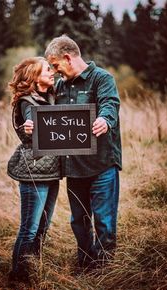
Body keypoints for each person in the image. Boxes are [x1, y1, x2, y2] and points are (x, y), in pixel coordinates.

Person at [44, 35, 122, 270]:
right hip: (74, 168)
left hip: (102, 165)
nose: (55, 71)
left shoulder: (102, 78)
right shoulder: (59, 86)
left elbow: (111, 103)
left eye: (56, 65)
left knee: (104, 222)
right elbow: (46, 115)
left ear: (68, 58)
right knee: (78, 221)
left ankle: (104, 269)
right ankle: (86, 264)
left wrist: (104, 119)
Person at [7, 57, 61, 284]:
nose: (52, 72)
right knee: (29, 228)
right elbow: (28, 122)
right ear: (34, 77)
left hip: (52, 170)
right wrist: (28, 127)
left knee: (43, 226)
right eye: (47, 70)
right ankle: (17, 277)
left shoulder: (51, 95)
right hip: (35, 171)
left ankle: (32, 267)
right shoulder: (27, 102)